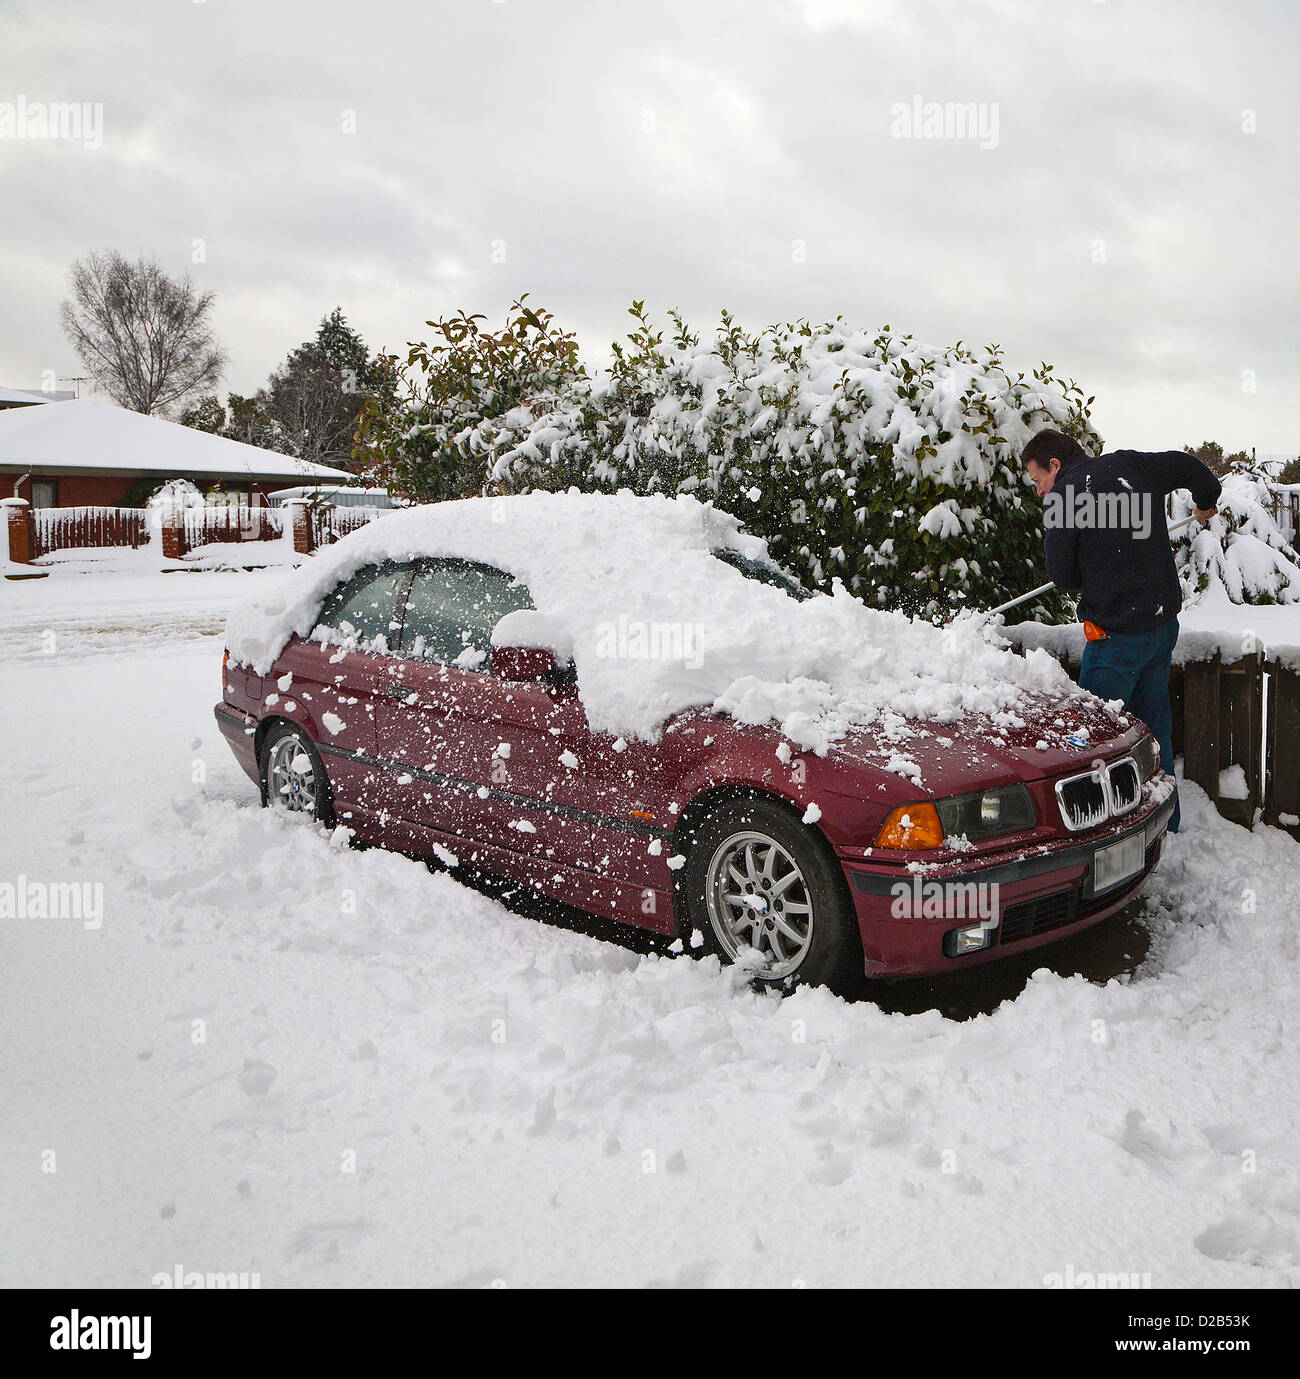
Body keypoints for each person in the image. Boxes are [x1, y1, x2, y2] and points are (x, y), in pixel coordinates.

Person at [1021, 429, 1222, 832]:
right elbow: (1193, 469)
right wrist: (1205, 504)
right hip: (1162, 627)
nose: (1041, 491)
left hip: (1115, 640)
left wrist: (1092, 572)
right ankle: (1167, 823)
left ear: (1055, 466)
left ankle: (1103, 838)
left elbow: (1061, 574)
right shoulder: (1131, 464)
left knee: (1097, 744)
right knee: (1153, 728)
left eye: (1038, 479)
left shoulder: (1066, 496)